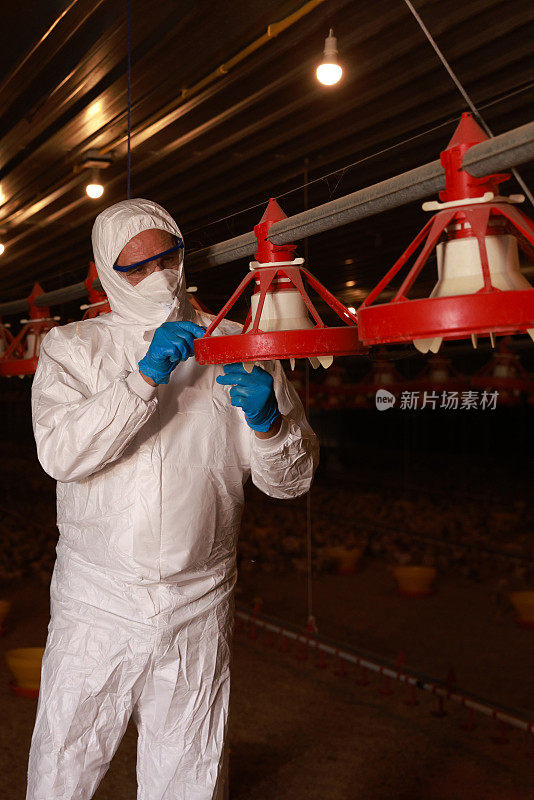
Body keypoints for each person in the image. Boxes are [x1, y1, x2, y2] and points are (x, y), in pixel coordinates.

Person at [27, 198, 319, 800]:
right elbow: (62, 454)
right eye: (134, 268)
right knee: (65, 764)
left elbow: (290, 480)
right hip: (97, 600)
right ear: (107, 274)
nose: (157, 276)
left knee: (191, 771)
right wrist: (143, 377)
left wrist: (271, 424)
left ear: (184, 257)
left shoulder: (238, 341)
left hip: (199, 599)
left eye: (167, 258)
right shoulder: (73, 349)